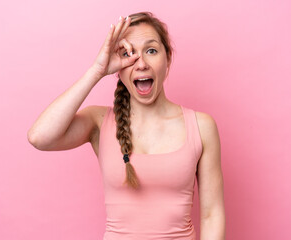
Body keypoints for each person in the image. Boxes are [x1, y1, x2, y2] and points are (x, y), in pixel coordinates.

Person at [27, 11, 225, 240]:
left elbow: (212, 215)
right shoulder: (99, 122)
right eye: (128, 54)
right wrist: (97, 70)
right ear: (118, 67)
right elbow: (39, 137)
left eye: (151, 50)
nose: (141, 64)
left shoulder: (201, 126)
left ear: (168, 58)